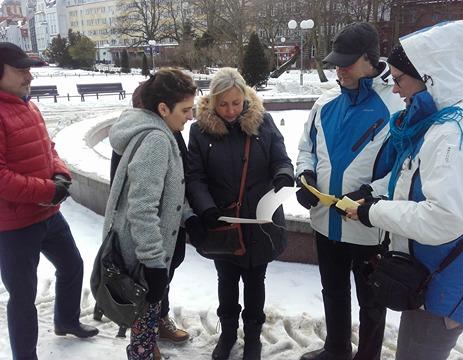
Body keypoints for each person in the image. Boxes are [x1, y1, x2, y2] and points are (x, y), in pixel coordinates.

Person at [345, 20, 463, 360]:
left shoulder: (456, 132)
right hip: (436, 273)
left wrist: (371, 211)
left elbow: (444, 217)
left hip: (445, 280)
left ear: (431, 75)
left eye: (399, 78)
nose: (393, 88)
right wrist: (374, 193)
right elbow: (416, 181)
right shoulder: (450, 120)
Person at [295, 23, 403, 360]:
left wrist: (372, 192)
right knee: (334, 289)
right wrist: (305, 176)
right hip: (326, 221)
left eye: (346, 62)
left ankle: (368, 356)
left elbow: (406, 168)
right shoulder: (325, 103)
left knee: (372, 299)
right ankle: (336, 348)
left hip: (368, 225)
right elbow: (306, 148)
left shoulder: (397, 106)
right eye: (335, 62)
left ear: (371, 60)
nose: (338, 69)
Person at [186, 67, 294, 360]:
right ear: (212, 102)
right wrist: (206, 208)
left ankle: (253, 338)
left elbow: (281, 159)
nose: (230, 110)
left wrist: (283, 175)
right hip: (223, 223)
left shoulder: (263, 122)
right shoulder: (200, 131)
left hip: (260, 222)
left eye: (235, 103)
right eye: (223, 104)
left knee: (256, 281)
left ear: (245, 98)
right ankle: (229, 333)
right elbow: (195, 177)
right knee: (227, 280)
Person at [0, 42, 99, 360]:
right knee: (23, 295)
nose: (28, 76)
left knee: (72, 266)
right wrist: (47, 190)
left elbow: (49, 148)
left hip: (48, 214)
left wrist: (60, 175)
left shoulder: (26, 104)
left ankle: (66, 321)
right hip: (14, 225)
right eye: (20, 70)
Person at [103, 68, 196, 359]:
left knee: (144, 318)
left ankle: (146, 348)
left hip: (144, 251)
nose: (190, 116)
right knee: (142, 327)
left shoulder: (154, 128)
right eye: (186, 109)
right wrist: (154, 264)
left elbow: (168, 195)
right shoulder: (156, 141)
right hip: (144, 255)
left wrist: (188, 216)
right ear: (163, 108)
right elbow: (141, 208)